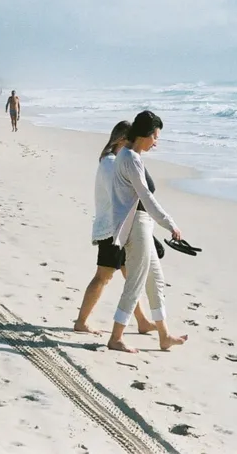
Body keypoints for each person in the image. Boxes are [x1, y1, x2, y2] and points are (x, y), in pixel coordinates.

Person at [106, 110, 187, 353]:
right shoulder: (130, 158)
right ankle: (116, 338)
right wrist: (170, 223)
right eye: (155, 137)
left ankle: (164, 336)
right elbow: (146, 197)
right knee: (136, 282)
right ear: (145, 134)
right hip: (136, 224)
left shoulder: (129, 156)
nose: (156, 143)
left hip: (141, 224)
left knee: (156, 280)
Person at [73, 121, 156, 334]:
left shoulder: (114, 161)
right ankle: (81, 322)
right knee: (104, 275)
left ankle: (142, 321)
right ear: (121, 140)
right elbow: (125, 195)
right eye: (131, 141)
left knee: (131, 276)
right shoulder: (111, 163)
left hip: (120, 228)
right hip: (112, 230)